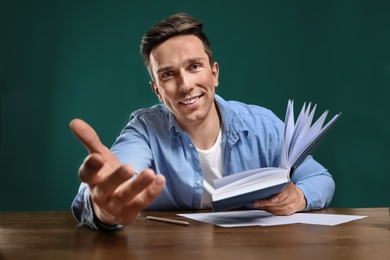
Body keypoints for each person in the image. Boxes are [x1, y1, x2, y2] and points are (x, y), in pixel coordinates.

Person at [70, 13, 335, 231]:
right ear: (157, 91)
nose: (186, 85)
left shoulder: (262, 125)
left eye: (194, 66)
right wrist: (104, 209)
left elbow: (319, 177)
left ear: (214, 73)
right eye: (168, 75)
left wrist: (301, 197)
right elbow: (114, 180)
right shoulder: (144, 130)